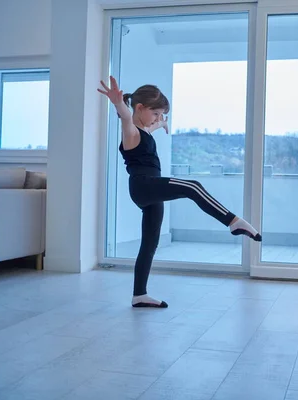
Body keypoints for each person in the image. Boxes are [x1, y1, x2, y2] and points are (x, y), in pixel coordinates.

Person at [98, 76, 261, 308]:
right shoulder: (131, 131)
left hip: (150, 192)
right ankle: (233, 222)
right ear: (140, 108)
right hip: (144, 186)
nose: (158, 118)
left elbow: (150, 126)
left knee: (149, 244)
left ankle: (139, 295)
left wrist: (161, 123)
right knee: (192, 187)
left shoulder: (144, 131)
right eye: (155, 113)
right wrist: (118, 103)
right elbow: (126, 116)